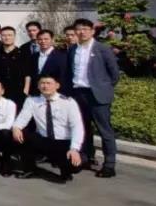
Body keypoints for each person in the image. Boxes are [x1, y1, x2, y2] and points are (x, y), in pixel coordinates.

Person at [67, 18, 120, 178]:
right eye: (79, 29)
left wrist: (102, 87)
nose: (82, 32)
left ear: (92, 31)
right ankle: (86, 158)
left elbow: (114, 74)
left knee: (105, 130)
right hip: (78, 94)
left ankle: (109, 164)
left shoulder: (102, 49)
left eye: (85, 29)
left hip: (97, 95)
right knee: (82, 128)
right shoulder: (72, 49)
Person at [12, 74, 85, 184]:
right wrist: (16, 127)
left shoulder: (68, 102)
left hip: (64, 142)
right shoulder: (32, 101)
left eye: (49, 83)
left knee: (75, 164)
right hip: (44, 140)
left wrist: (74, 149)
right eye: (42, 83)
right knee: (20, 134)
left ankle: (66, 171)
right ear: (38, 86)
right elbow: (22, 118)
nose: (45, 86)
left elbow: (77, 127)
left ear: (57, 85)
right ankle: (29, 168)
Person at [0, 26, 29, 107]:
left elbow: (27, 75)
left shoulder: (22, 53)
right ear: (1, 37)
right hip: (1, 92)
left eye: (9, 35)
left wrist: (26, 90)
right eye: (4, 35)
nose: (7, 38)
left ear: (14, 36)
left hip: (19, 91)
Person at [29, 29, 67, 94]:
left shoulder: (62, 56)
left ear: (52, 40)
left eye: (46, 39)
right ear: (37, 41)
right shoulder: (33, 57)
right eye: (40, 39)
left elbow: (63, 76)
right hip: (36, 93)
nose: (43, 41)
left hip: (55, 93)